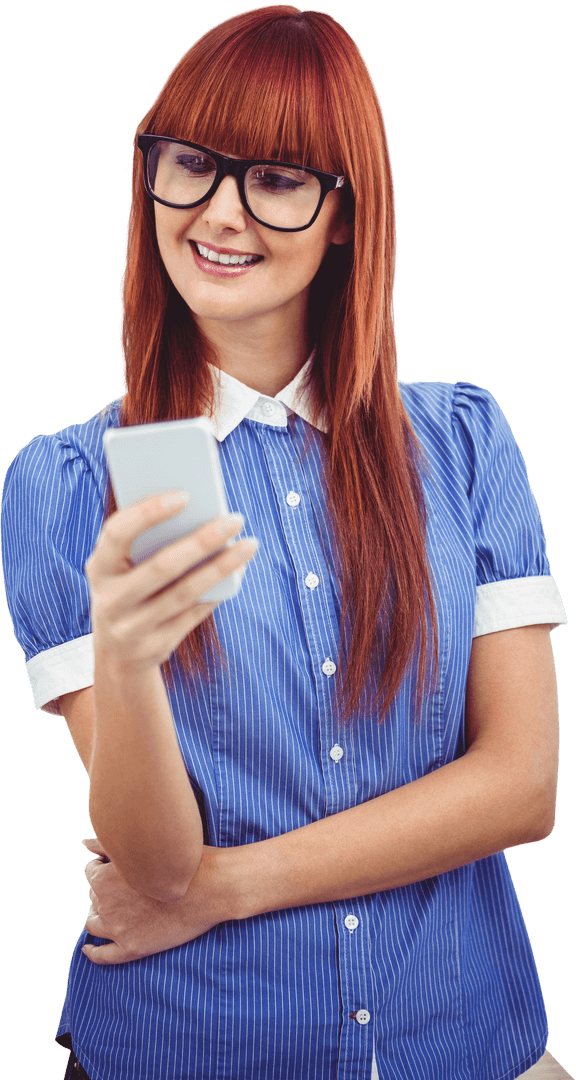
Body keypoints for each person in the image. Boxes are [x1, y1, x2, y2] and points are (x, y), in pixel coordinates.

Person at [0, 7, 568, 1080]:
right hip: (190, 1047)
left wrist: (230, 886)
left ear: (346, 212)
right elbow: (156, 866)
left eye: (274, 178)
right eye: (192, 166)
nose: (219, 213)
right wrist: (123, 658)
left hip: (461, 1045)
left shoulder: (461, 440)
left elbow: (522, 785)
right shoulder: (72, 482)